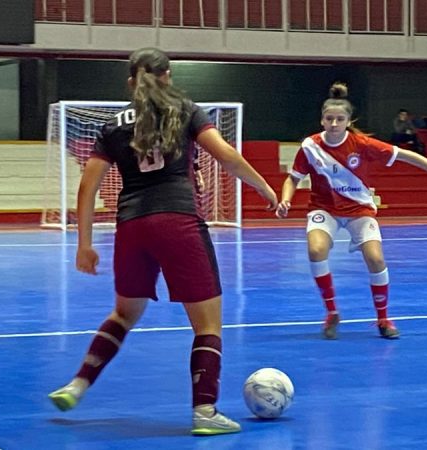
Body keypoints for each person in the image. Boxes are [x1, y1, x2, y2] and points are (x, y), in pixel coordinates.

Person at [47, 48, 278, 436]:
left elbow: (88, 187)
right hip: (178, 221)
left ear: (130, 82)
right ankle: (205, 411)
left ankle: (78, 383)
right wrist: (266, 188)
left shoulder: (113, 125)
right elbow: (226, 156)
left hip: (132, 226)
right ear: (168, 76)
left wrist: (84, 243)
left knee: (123, 314)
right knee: (208, 325)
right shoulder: (186, 110)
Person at [275, 82, 427, 339]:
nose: (333, 124)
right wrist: (285, 199)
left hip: (359, 209)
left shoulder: (362, 144)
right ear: (321, 120)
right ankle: (331, 312)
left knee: (376, 259)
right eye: (329, 119)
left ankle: (383, 319)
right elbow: (293, 178)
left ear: (347, 121)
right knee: (315, 249)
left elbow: (405, 156)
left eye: (339, 119)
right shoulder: (310, 146)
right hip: (324, 208)